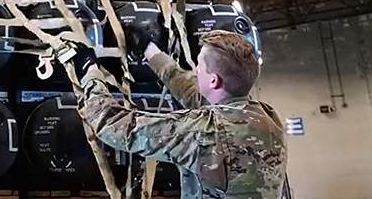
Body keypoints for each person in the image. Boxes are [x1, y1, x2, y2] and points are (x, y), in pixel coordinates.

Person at [70, 30, 287, 198]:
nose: (196, 70)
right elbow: (195, 93)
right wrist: (151, 52)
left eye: (199, 65)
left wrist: (90, 71)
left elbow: (114, 126)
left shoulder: (203, 133)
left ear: (213, 80)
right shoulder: (267, 119)